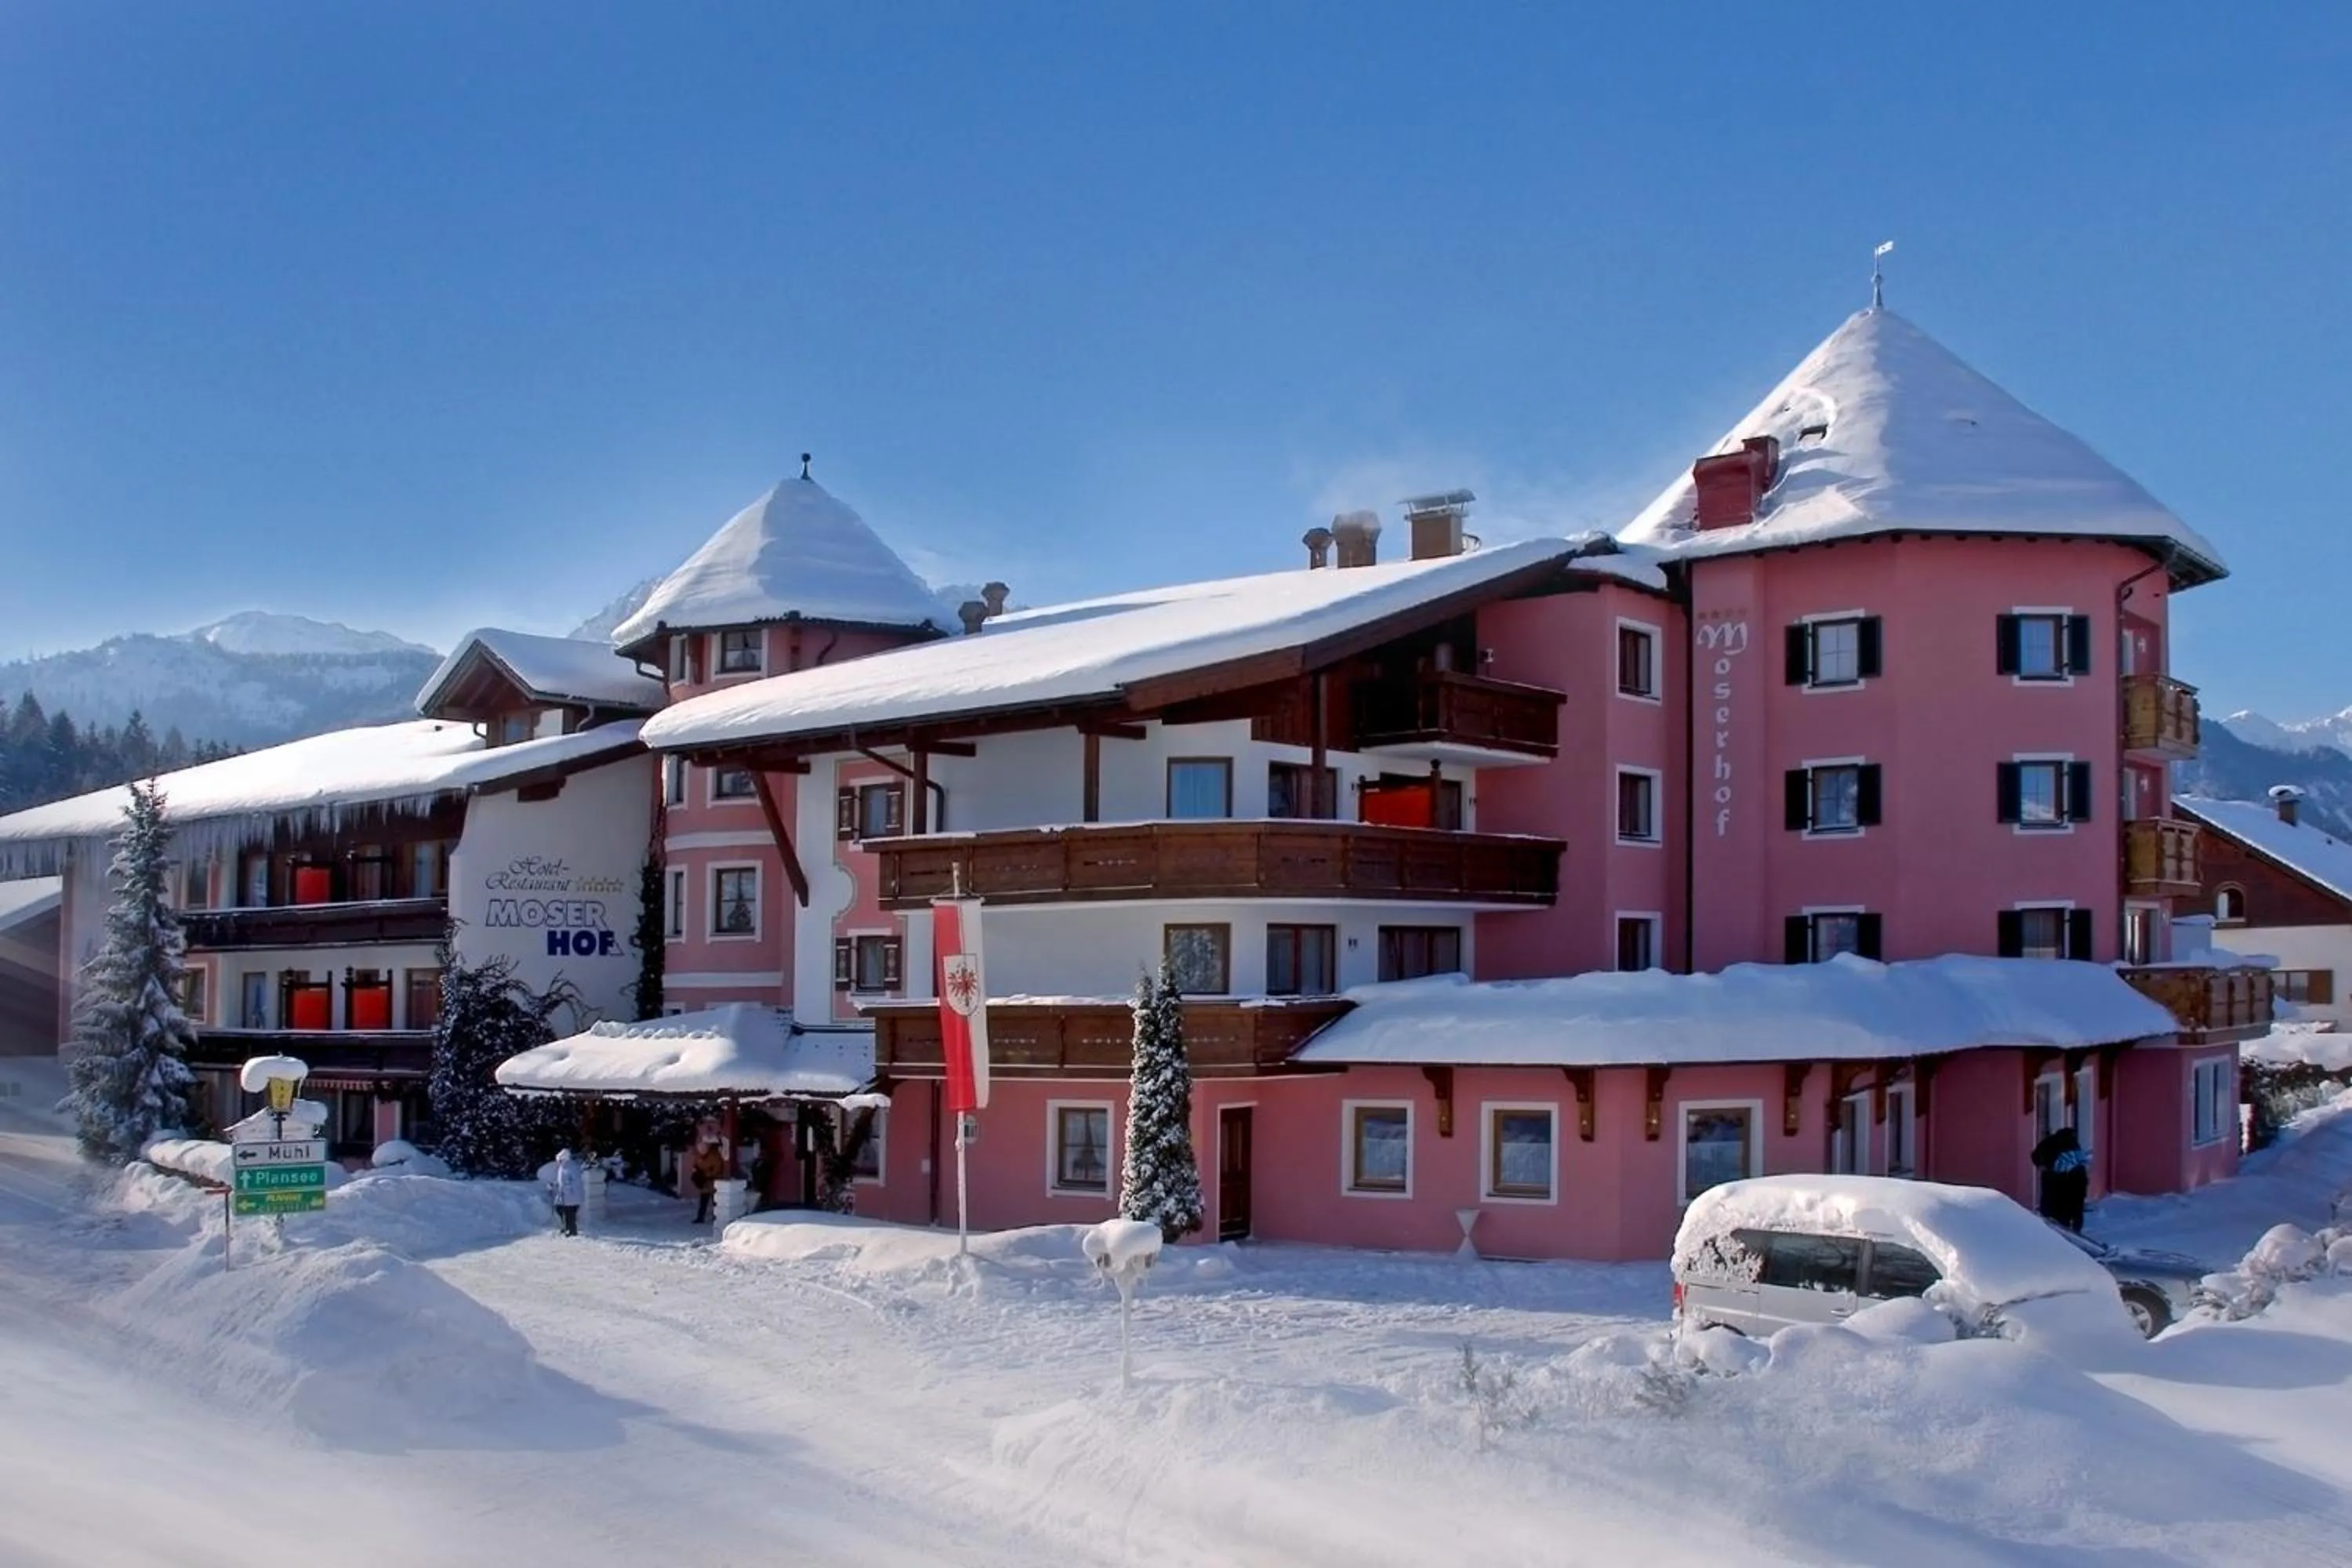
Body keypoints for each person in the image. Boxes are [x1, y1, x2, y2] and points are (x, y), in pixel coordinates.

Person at [2030, 1125, 2090, 1232]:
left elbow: (2035, 1156)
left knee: (2056, 1210)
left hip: (2055, 1181)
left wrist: (2042, 1166)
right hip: (2076, 1182)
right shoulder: (2074, 1145)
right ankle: (2075, 1231)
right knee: (2075, 1210)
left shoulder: (2050, 1142)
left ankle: (2056, 1231)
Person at [689, 1138, 727, 1225]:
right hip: (704, 1183)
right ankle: (700, 1217)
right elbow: (696, 1166)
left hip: (713, 1182)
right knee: (703, 1201)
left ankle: (717, 1217)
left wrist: (707, 1174)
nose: (701, 1151)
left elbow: (718, 1169)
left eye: (703, 1150)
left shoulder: (714, 1156)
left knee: (716, 1201)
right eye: (700, 1150)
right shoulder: (699, 1157)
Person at [550, 1149, 586, 1238]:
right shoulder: (564, 1167)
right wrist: (555, 1184)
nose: (558, 1161)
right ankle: (566, 1227)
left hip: (571, 1195)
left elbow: (574, 1182)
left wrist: (566, 1189)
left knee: (569, 1213)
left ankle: (571, 1230)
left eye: (559, 1159)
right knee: (560, 1209)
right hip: (567, 1195)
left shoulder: (569, 1167)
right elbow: (562, 1181)